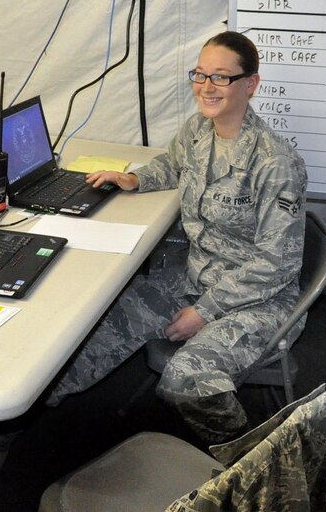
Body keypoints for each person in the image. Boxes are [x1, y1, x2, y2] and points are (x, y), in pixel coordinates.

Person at [46, 30, 308, 444]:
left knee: (186, 380)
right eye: (200, 75)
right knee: (87, 330)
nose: (206, 87)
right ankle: (0, 430)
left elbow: (278, 264)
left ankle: (247, 457)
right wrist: (133, 179)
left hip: (257, 301)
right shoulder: (199, 131)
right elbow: (172, 164)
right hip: (194, 276)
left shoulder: (275, 162)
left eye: (221, 77)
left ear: (250, 84)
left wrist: (205, 310)